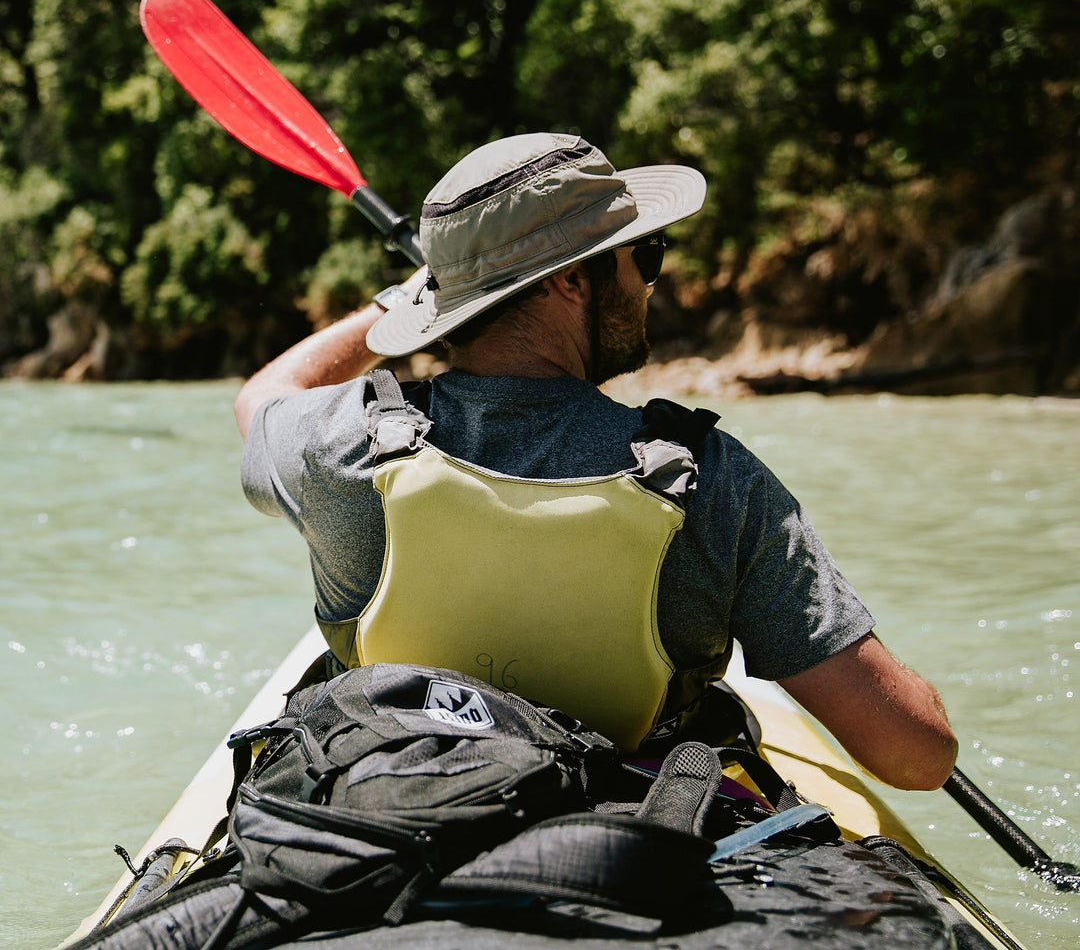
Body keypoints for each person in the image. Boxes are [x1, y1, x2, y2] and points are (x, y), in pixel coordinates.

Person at [236, 132, 957, 789]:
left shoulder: (336, 442)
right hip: (634, 831)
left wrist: (413, 298)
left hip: (393, 802)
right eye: (642, 257)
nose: (651, 285)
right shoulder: (714, 480)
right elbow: (915, 755)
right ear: (570, 282)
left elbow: (263, 398)